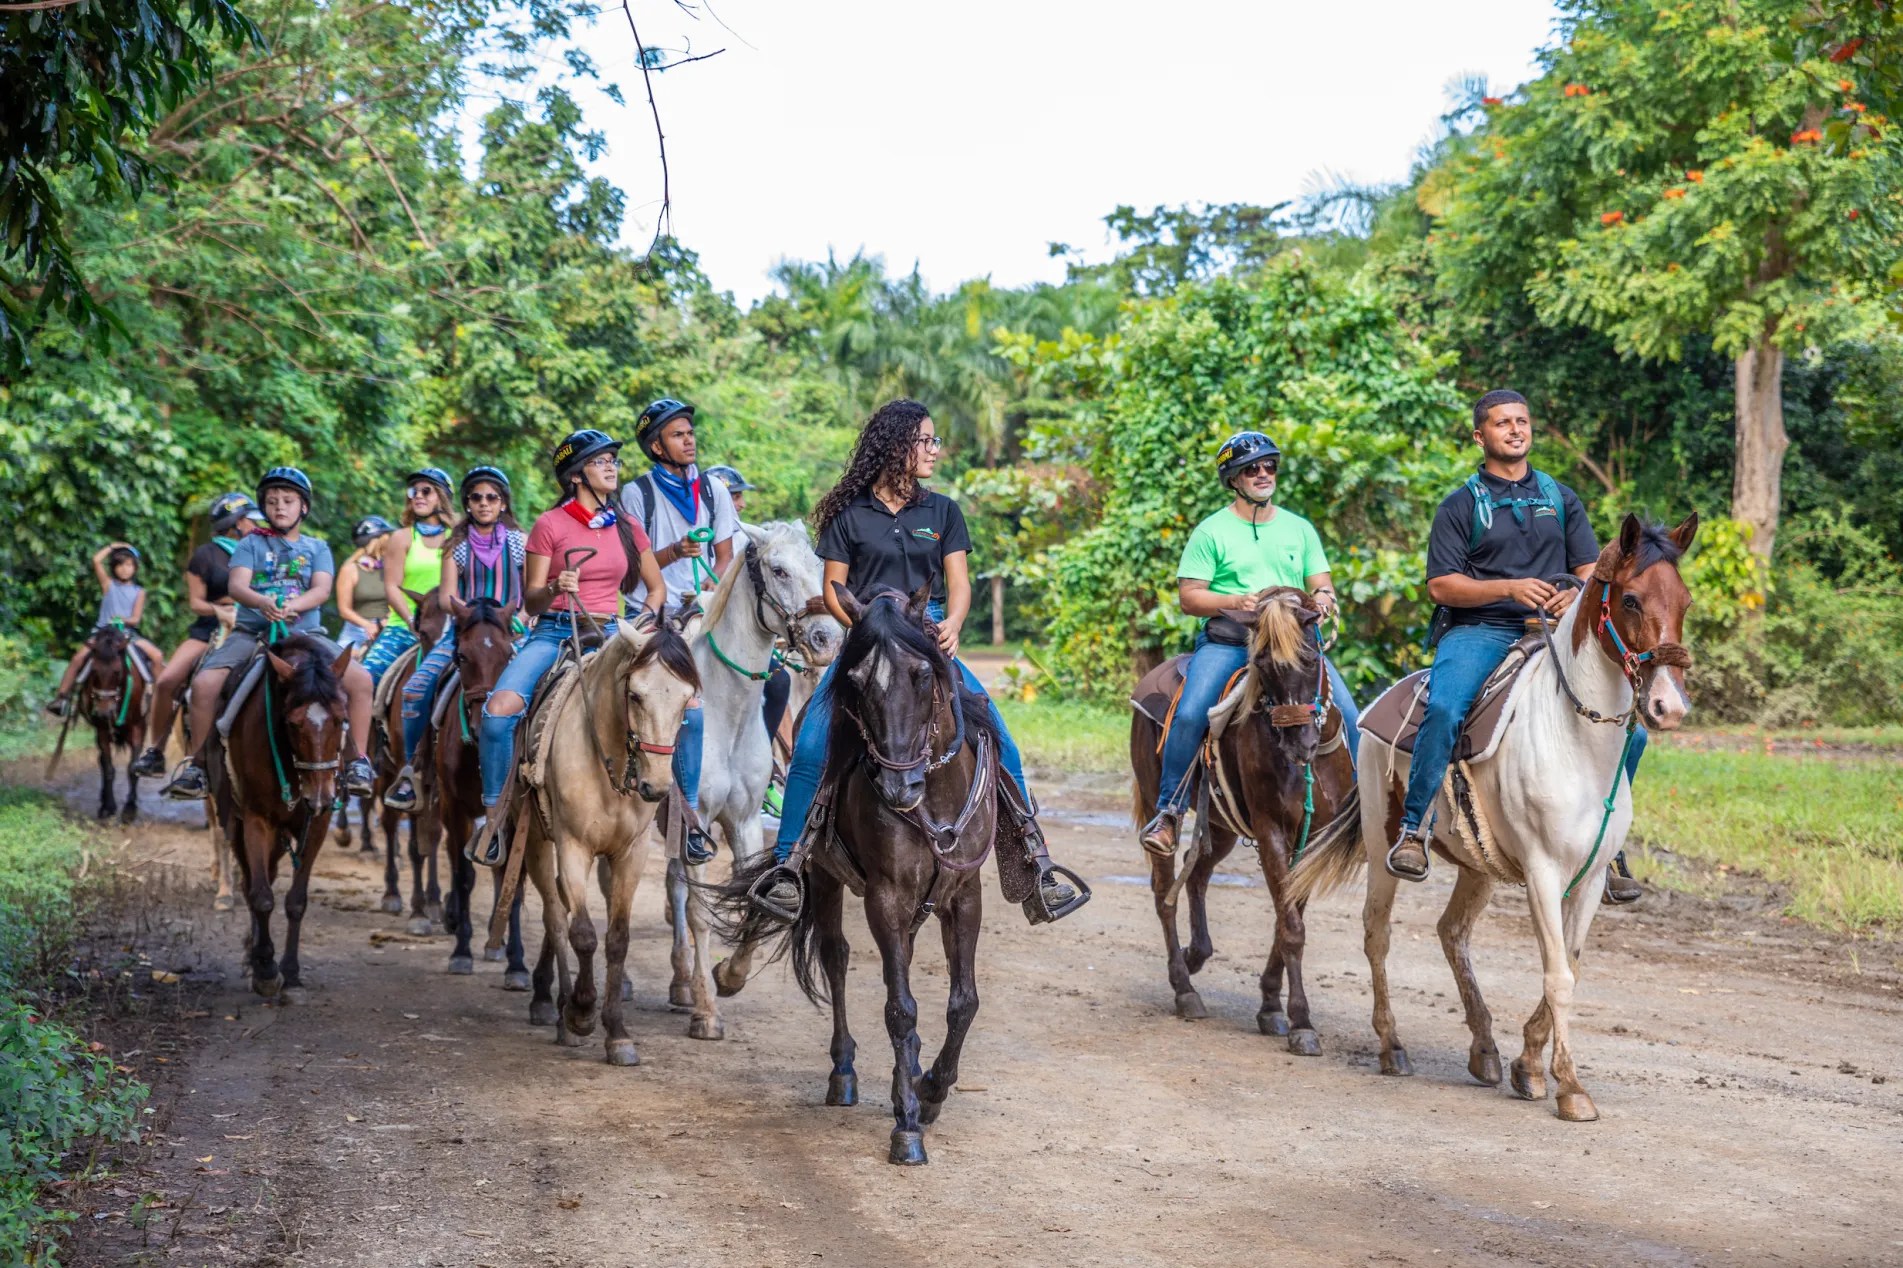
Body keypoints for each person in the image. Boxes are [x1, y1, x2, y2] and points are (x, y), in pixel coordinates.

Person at [767, 398, 1085, 921]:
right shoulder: (850, 517)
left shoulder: (943, 512)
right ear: (897, 447)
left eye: (934, 441)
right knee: (809, 743)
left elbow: (958, 584)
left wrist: (954, 624)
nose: (935, 450)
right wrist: (871, 633)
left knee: (1000, 736)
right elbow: (832, 591)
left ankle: (1035, 862)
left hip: (928, 638)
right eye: (927, 441)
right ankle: (786, 868)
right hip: (865, 638)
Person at [1391, 389, 1645, 903]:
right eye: (1502, 423)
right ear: (1479, 435)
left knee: (1632, 734)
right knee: (1443, 708)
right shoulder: (1460, 504)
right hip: (1479, 630)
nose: (1515, 430)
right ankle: (1414, 828)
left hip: (1552, 633)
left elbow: (1589, 572)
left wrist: (1573, 593)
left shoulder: (1560, 497)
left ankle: (1608, 842)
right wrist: (1509, 588)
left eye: (1522, 421)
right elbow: (1441, 585)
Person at [1140, 431, 1363, 855]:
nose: (1263, 474)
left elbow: (1322, 583)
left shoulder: (1299, 529)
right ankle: (1168, 813)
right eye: (1251, 469)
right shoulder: (1211, 531)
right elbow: (1190, 597)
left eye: (1269, 466)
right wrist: (1232, 600)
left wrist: (1324, 598)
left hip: (1293, 648)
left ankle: (1363, 812)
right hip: (1231, 643)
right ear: (1234, 479)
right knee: (1189, 714)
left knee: (1351, 716)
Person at [471, 432, 666, 864]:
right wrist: (556, 586)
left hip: (615, 634)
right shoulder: (550, 524)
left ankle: (684, 816)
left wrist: (644, 624)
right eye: (600, 462)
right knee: (497, 713)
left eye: (613, 460)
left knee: (683, 704)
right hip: (555, 630)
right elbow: (532, 599)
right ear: (576, 474)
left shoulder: (629, 526)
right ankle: (495, 817)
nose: (612, 467)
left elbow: (656, 590)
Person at [157, 467, 377, 800]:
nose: (279, 507)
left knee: (361, 681)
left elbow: (320, 591)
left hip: (306, 633)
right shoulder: (249, 544)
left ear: (303, 507)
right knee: (203, 685)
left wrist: (293, 605)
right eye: (272, 501)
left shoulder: (317, 547)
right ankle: (198, 766)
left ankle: (358, 760)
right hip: (252, 633)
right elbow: (237, 585)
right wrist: (262, 602)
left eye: (288, 501)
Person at [616, 398, 740, 864]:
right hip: (654, 613)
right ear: (656, 445)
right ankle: (685, 813)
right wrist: (673, 552)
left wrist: (711, 586)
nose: (689, 440)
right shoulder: (637, 494)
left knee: (774, 680)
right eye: (678, 434)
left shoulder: (714, 490)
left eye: (690, 432)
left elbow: (725, 555)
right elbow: (633, 570)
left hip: (703, 612)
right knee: (688, 708)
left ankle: (769, 772)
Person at [384, 467, 526, 811]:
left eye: (492, 497)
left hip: (513, 634)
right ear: (467, 504)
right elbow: (448, 597)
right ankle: (412, 772)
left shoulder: (522, 543)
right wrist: (469, 621)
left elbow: (530, 595)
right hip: (464, 633)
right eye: (476, 498)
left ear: (503, 503)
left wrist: (518, 620)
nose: (484, 503)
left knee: (555, 682)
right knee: (415, 689)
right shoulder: (456, 546)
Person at [131, 494, 261, 776]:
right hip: (209, 630)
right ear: (235, 523)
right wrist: (220, 611)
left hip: (255, 626)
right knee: (167, 680)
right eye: (251, 520)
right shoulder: (205, 556)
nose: (257, 524)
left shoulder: (261, 551)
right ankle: (156, 751)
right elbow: (196, 602)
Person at [48, 543, 168, 715]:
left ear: (135, 567)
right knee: (77, 658)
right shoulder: (108, 585)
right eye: (119, 565)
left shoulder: (139, 591)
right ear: (113, 568)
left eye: (128, 565)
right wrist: (114, 546)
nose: (124, 569)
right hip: (103, 633)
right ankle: (62, 697)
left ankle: (160, 699)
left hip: (127, 633)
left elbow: (135, 619)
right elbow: (96, 560)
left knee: (157, 656)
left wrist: (121, 619)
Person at [361, 467, 454, 686]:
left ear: (441, 497)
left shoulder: (457, 537)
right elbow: (392, 587)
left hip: (448, 629)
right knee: (363, 680)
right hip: (403, 627)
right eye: (414, 491)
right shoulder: (401, 537)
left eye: (426, 491)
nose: (418, 496)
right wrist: (412, 622)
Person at [336, 516, 397, 657]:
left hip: (386, 627)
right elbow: (344, 610)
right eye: (386, 537)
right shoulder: (350, 569)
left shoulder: (390, 568)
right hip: (356, 631)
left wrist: (387, 620)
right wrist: (367, 625)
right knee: (339, 663)